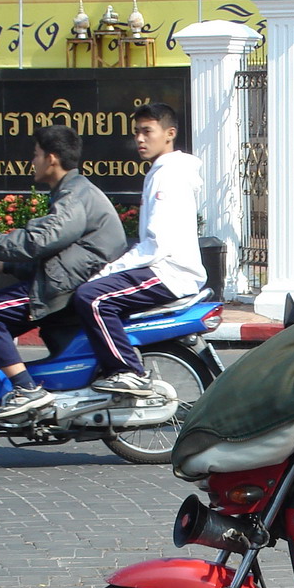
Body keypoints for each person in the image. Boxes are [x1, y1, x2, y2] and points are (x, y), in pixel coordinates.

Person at [0, 125, 126, 418]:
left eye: (35, 155)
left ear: (51, 158)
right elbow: (54, 255)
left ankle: (26, 390)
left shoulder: (73, 197)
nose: (32, 162)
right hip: (68, 281)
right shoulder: (72, 191)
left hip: (66, 288)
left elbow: (39, 241)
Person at [72, 102, 207, 396]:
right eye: (137, 133)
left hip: (168, 272)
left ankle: (127, 371)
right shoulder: (162, 171)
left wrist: (107, 271)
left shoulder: (168, 175)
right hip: (165, 267)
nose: (140, 139)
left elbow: (156, 244)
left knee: (92, 298)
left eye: (147, 131)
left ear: (169, 134)